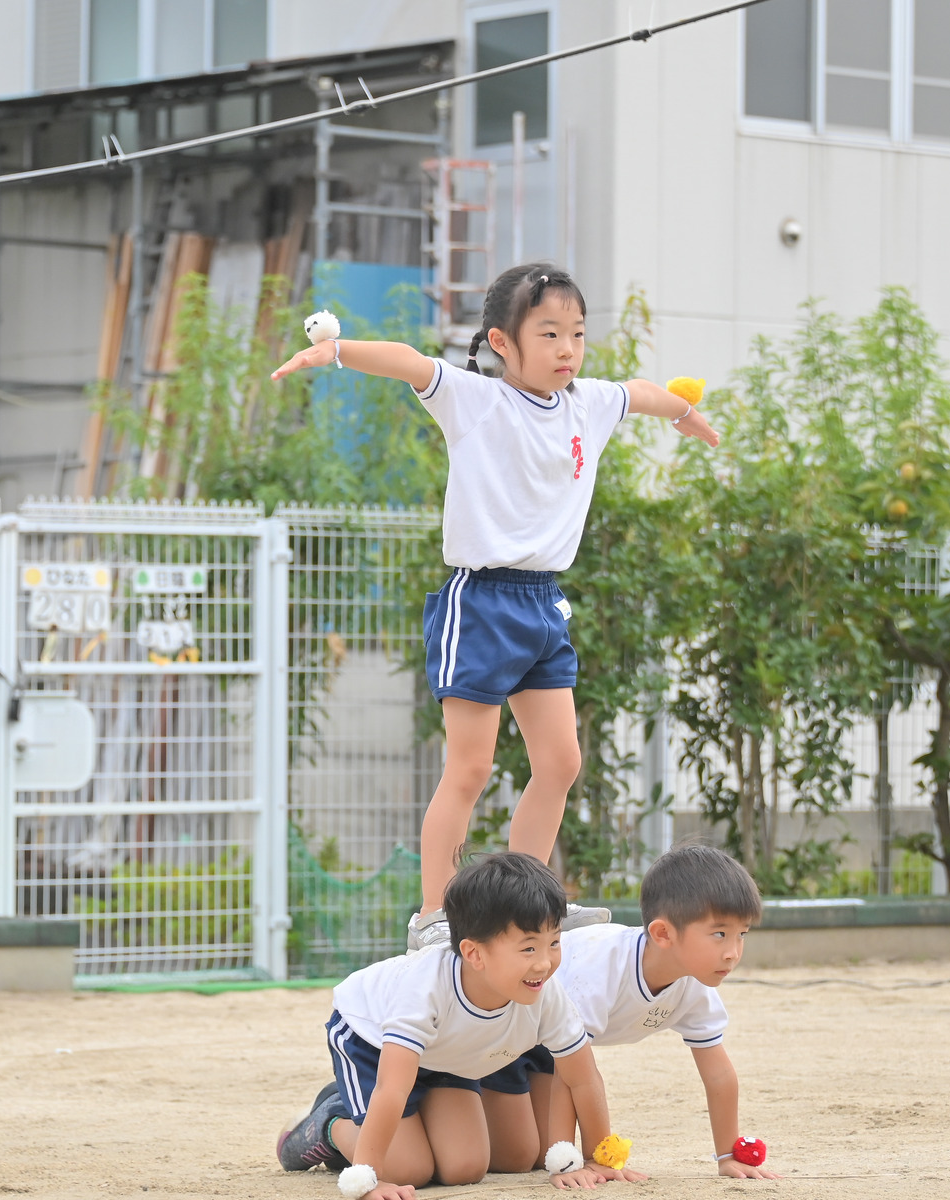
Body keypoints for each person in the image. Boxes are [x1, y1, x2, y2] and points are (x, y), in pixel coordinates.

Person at [272, 263, 720, 952]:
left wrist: (683, 413)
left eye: (576, 332)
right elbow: (410, 363)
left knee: (562, 761)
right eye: (548, 333)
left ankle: (534, 904)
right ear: (502, 343)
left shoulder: (587, 404)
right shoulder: (475, 401)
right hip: (479, 602)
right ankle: (432, 916)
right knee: (471, 767)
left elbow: (640, 394)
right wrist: (337, 350)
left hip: (544, 603)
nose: (568, 348)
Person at [275, 852, 623, 1197]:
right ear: (474, 953)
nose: (545, 963)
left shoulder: (545, 991)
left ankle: (401, 1122)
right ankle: (330, 1119)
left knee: (465, 1167)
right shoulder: (426, 988)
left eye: (554, 943)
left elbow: (583, 1076)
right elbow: (392, 1087)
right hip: (372, 1044)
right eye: (528, 949)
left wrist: (598, 1158)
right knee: (407, 1169)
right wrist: (369, 1179)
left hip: (444, 1056)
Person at [483, 842, 782, 1180]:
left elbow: (718, 1075)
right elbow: (573, 1070)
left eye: (741, 934)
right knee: (517, 1155)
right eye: (719, 934)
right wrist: (581, 1161)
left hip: (548, 1050)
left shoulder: (695, 983)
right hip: (504, 1033)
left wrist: (729, 1155)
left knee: (533, 1152)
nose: (733, 952)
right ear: (663, 933)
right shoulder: (603, 967)